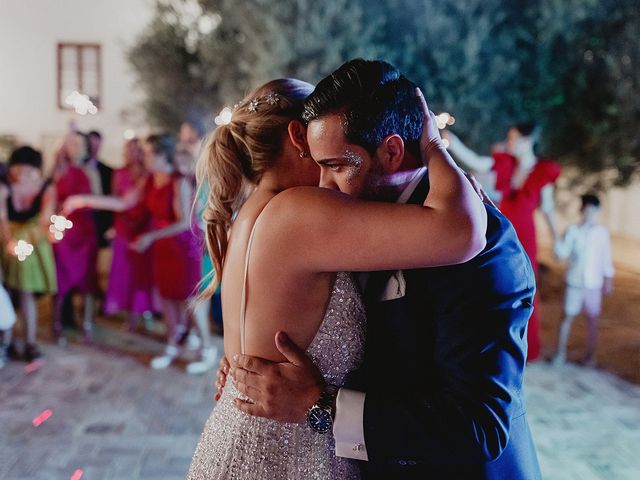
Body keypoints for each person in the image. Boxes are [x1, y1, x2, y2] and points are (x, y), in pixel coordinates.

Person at [226, 60, 541, 479]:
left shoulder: (484, 249)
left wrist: (319, 406)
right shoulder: (350, 227)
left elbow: (479, 428)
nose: (322, 186)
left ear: (392, 151)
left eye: (338, 166)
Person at [64, 134, 202, 369]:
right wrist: (82, 200)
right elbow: (123, 203)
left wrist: (150, 236)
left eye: (148, 153)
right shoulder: (148, 180)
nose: (143, 157)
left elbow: (184, 222)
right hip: (160, 245)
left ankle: (203, 348)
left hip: (181, 245)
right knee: (165, 296)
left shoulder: (178, 181)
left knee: (187, 297)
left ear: (161, 155)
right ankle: (172, 346)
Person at [445, 123, 561, 361]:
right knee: (500, 283)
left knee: (525, 286)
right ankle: (499, 341)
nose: (508, 143)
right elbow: (478, 163)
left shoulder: (542, 171)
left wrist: (557, 238)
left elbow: (548, 210)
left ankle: (526, 345)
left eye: (513, 138)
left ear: (527, 141)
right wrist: (453, 143)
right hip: (505, 232)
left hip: (527, 235)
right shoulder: (506, 164)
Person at [0, 146, 57, 361]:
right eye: (18, 170)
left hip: (33, 241)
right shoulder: (4, 186)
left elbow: (45, 219)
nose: (21, 175)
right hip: (6, 239)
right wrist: (9, 243)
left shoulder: (46, 187)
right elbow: (2, 219)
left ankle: (30, 343)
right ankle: (9, 341)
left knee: (26, 291)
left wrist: (47, 233)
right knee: (7, 293)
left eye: (27, 170)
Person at [553, 193, 614, 366]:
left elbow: (605, 257)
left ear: (598, 211)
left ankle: (590, 357)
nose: (589, 214)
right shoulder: (573, 231)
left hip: (593, 284)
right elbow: (562, 253)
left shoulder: (602, 233)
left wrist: (608, 279)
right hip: (574, 281)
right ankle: (560, 353)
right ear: (581, 210)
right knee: (566, 317)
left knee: (593, 320)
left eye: (593, 211)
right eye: (587, 210)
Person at [103, 138, 156, 330]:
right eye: (128, 150)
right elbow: (118, 200)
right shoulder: (119, 173)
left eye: (135, 149)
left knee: (143, 271)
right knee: (125, 271)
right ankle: (130, 314)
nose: (131, 153)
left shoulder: (149, 174)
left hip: (145, 226)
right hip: (124, 226)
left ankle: (145, 310)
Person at [52, 132, 99, 343]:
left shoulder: (91, 171)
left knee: (87, 277)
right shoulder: (58, 169)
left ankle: (87, 321)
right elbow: (50, 198)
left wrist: (82, 201)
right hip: (63, 230)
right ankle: (57, 323)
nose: (75, 147)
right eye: (70, 143)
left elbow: (98, 199)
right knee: (60, 277)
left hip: (85, 229)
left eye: (79, 143)